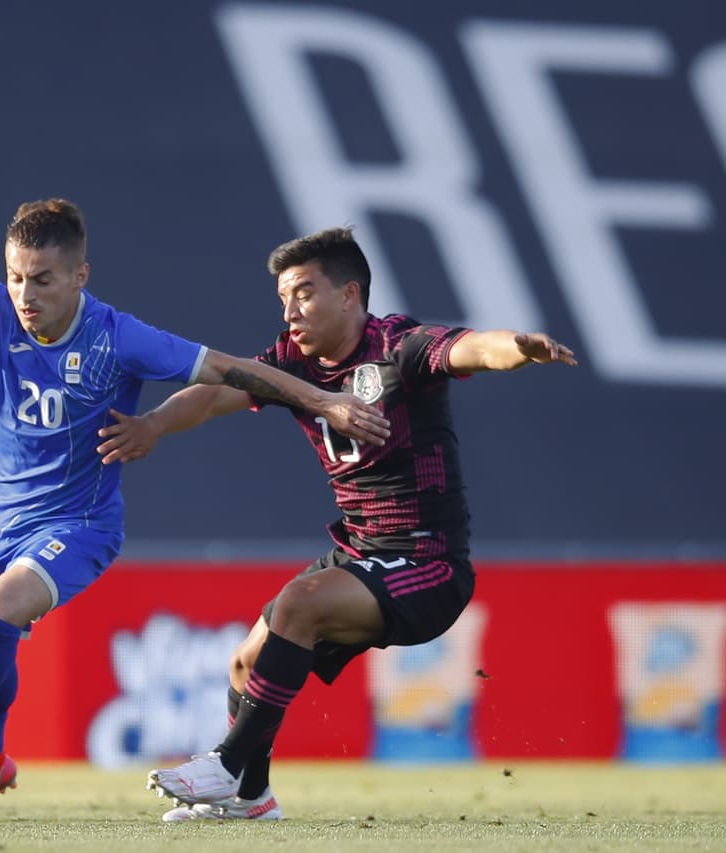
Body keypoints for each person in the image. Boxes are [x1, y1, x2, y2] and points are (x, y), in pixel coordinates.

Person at [0, 200, 390, 804]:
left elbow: (226, 369)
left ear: (78, 276)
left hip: (79, 522)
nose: (24, 293)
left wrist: (323, 401)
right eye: (16, 276)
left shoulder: (119, 338)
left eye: (41, 279)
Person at [96, 226, 577, 821]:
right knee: (246, 661)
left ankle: (225, 764)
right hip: (361, 552)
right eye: (282, 299)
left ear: (350, 295)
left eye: (302, 293)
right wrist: (152, 426)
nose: (290, 311)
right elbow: (214, 391)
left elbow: (471, 348)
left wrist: (518, 347)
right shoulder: (292, 363)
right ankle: (250, 798)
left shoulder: (399, 347)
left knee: (298, 604)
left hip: (427, 564)